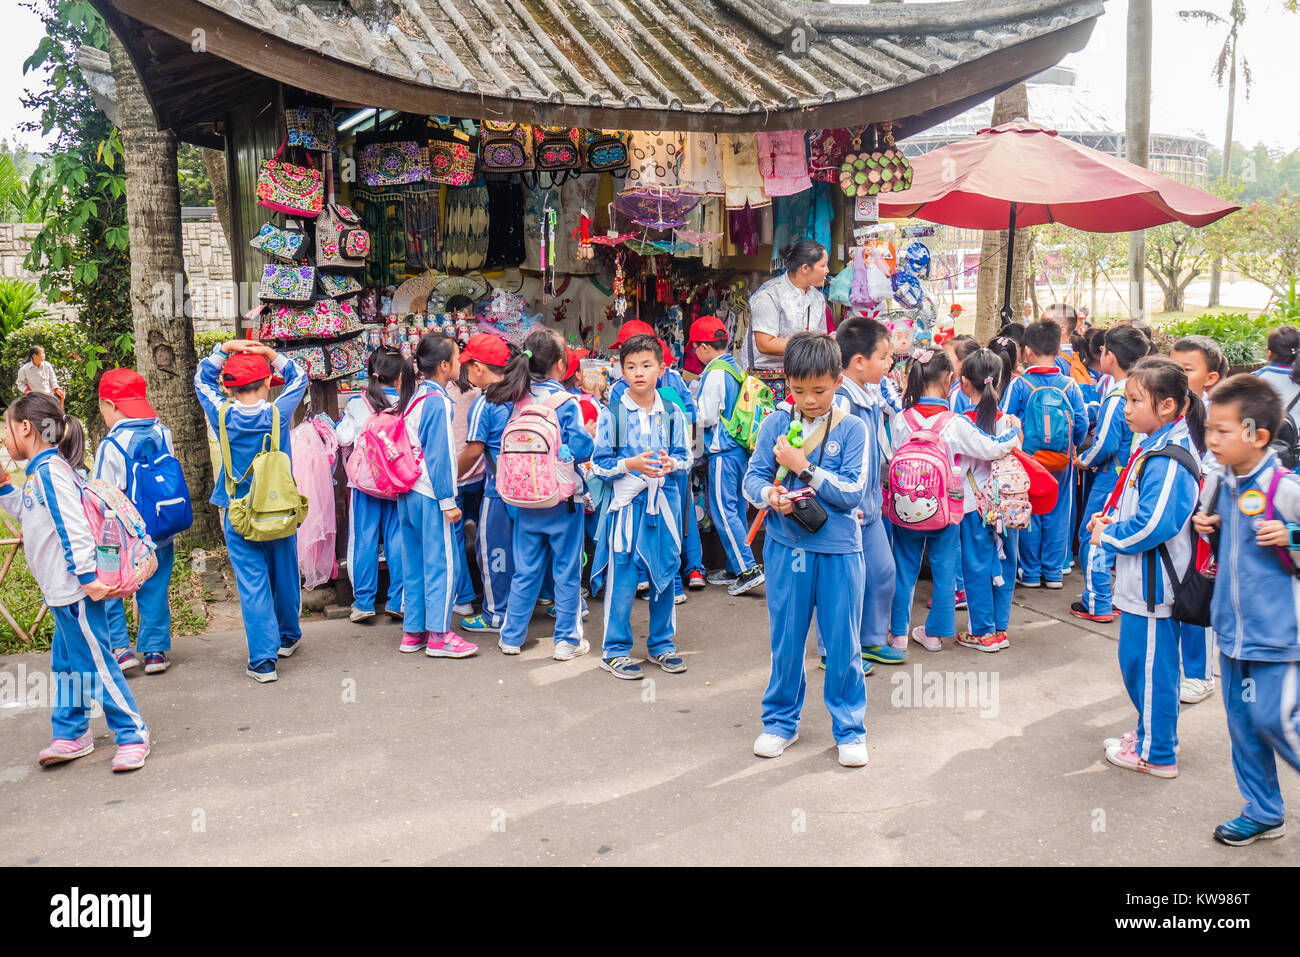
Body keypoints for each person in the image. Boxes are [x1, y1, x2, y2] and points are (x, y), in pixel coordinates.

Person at [0, 393, 150, 771]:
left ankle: (133, 733)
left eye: (6, 430)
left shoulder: (51, 472)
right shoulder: (41, 472)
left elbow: (74, 528)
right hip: (60, 593)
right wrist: (5, 486)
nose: (4, 439)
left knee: (96, 666)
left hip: (75, 591)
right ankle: (71, 732)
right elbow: (29, 513)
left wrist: (88, 578)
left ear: (25, 428)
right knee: (67, 665)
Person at [743, 332, 870, 768]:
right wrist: (768, 497)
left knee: (842, 643)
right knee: (787, 639)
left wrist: (805, 468)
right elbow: (753, 476)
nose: (809, 400)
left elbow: (853, 491)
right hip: (784, 546)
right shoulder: (775, 423)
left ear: (838, 381)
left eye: (819, 390)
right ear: (787, 383)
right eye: (799, 391)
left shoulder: (854, 428)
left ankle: (851, 728)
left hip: (839, 552)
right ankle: (780, 723)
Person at [1194, 375, 1300, 844]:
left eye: (1222, 430)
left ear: (1257, 435)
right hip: (1231, 632)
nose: (1210, 440)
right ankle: (1263, 809)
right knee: (1243, 726)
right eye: (1209, 429)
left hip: (1279, 636)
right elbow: (1217, 542)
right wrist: (1203, 525)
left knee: (1274, 719)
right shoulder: (1216, 484)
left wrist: (1294, 537)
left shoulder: (1286, 489)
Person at [1091, 357, 1204, 778]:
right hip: (1145, 583)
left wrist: (1110, 534)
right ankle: (1147, 736)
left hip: (1156, 586)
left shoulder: (1168, 458)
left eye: (1135, 400)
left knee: (1150, 669)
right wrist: (1113, 523)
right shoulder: (1154, 446)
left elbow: (1156, 523)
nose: (1126, 408)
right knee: (1139, 663)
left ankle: (1158, 754)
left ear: (1168, 406)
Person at [888, 348, 1021, 652]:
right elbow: (990, 448)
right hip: (946, 509)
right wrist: (1014, 434)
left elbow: (893, 455)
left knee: (904, 567)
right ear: (949, 380)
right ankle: (935, 633)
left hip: (905, 506)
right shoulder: (954, 422)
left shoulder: (901, 419)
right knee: (945, 569)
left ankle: (897, 633)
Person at [195, 340, 307, 683]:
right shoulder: (278, 412)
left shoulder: (221, 413)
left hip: (239, 512)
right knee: (285, 572)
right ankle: (288, 636)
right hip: (279, 509)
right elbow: (300, 376)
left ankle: (263, 660)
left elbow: (201, 379)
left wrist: (224, 348)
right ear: (266, 385)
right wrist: (271, 354)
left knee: (252, 582)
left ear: (229, 387)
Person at [590, 335, 691, 679]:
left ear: (661, 369)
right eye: (631, 367)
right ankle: (615, 649)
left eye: (646, 366)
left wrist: (670, 465)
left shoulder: (673, 412)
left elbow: (685, 456)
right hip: (628, 507)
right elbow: (599, 465)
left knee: (665, 572)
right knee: (624, 577)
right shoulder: (613, 415)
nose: (639, 373)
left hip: (664, 503)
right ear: (621, 371)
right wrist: (630, 464)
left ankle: (662, 644)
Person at [495, 328, 595, 659]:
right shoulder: (565, 402)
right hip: (562, 501)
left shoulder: (518, 398)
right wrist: (590, 437)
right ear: (559, 365)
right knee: (566, 570)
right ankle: (567, 641)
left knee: (525, 570)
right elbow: (580, 449)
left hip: (523, 500)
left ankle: (511, 636)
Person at [821, 317, 903, 668]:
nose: (889, 364)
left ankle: (870, 640)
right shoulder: (840, 400)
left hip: (870, 507)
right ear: (858, 361)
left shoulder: (869, 393)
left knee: (882, 573)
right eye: (884, 357)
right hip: (846, 509)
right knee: (842, 587)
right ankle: (834, 650)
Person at [95, 368, 181, 675]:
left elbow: (102, 494)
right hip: (159, 529)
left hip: (119, 535)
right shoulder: (162, 432)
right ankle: (155, 652)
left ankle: (120, 649)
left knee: (110, 587)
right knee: (155, 586)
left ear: (111, 404)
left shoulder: (111, 444)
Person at [395, 335, 477, 659]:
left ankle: (413, 632)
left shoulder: (415, 397)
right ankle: (440, 635)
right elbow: (440, 456)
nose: (459, 364)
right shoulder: (438, 402)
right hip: (431, 494)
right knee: (441, 564)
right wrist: (449, 501)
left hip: (409, 492)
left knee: (414, 564)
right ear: (444, 366)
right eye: (457, 359)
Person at [1001, 319, 1088, 589]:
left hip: (1028, 461)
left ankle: (1029, 572)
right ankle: (1052, 572)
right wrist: (1071, 447)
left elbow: (1004, 419)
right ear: (1057, 350)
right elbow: (1082, 422)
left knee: (1030, 511)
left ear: (1026, 350)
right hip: (1063, 462)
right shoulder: (1069, 386)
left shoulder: (1020, 385)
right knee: (1059, 513)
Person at [1070, 325, 1145, 624]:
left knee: (1094, 534)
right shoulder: (1136, 390)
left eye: (1102, 350)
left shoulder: (1118, 396)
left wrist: (1084, 459)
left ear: (1110, 356)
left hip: (1111, 477)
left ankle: (1097, 602)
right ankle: (1108, 597)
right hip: (1127, 473)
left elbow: (1105, 442)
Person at [954, 349, 1025, 652]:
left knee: (976, 565)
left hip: (974, 506)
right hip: (1008, 505)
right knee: (1006, 562)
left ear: (964, 383)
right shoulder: (1010, 423)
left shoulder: (961, 423)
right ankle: (1000, 629)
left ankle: (981, 631)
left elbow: (958, 470)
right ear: (1000, 382)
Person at [1170, 335, 1227, 705]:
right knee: (1175, 593)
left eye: (1186, 370)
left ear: (1211, 378)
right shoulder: (1173, 411)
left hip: (1204, 519)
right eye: (1173, 367)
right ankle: (1179, 670)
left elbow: (1221, 467)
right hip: (1177, 518)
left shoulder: (1220, 416)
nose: (1177, 375)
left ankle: (1199, 674)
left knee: (1196, 592)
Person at [690, 314, 764, 595]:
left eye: (696, 347)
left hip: (723, 450)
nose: (696, 353)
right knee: (735, 510)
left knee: (723, 511)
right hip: (739, 450)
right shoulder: (734, 368)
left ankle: (747, 569)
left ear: (704, 347)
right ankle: (735, 566)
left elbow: (706, 417)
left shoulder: (714, 372)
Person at [335, 347, 407, 624]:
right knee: (397, 540)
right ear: (400, 375)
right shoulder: (408, 402)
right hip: (398, 481)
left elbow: (343, 437)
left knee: (363, 540)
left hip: (365, 483)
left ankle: (363, 602)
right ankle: (397, 600)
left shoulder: (357, 402)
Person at [458, 333, 519, 634]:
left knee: (492, 551)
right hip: (530, 489)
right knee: (525, 550)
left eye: (467, 367)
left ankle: (496, 614)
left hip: (498, 490)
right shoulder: (521, 395)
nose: (466, 374)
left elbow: (473, 451)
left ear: (479, 368)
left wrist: (450, 476)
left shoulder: (486, 402)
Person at [745, 240, 830, 404]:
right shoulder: (769, 295)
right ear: (805, 268)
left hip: (802, 382)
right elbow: (765, 344)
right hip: (766, 384)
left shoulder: (817, 297)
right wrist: (811, 345)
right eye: (823, 265)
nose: (827, 271)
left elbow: (820, 337)